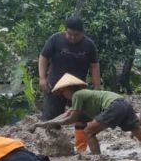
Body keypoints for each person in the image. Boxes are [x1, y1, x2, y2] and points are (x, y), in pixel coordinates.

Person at [37, 74, 141, 156]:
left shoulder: (77, 95)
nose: (63, 95)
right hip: (124, 103)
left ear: (68, 89)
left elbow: (72, 118)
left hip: (113, 106)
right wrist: (46, 123)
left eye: (62, 92)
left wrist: (50, 123)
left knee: (87, 131)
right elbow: (67, 114)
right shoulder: (83, 94)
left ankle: (97, 158)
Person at [38, 16, 100, 151]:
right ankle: (53, 150)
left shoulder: (89, 45)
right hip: (55, 87)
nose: (71, 37)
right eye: (69, 34)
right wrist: (42, 78)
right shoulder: (55, 39)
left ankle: (81, 149)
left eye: (75, 35)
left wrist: (96, 87)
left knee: (83, 118)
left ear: (82, 33)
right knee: (51, 118)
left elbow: (94, 66)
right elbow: (43, 57)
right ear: (65, 31)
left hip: (78, 88)